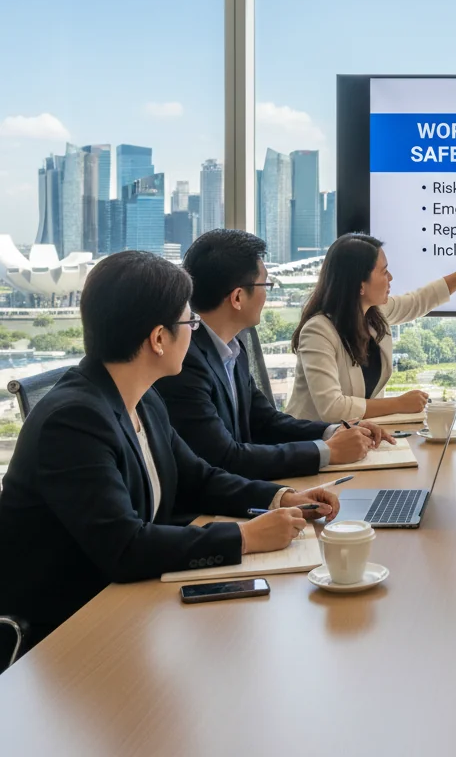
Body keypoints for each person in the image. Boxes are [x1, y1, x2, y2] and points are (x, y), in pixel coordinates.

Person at [0, 251, 339, 647]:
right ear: (159, 339)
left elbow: (198, 478)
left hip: (130, 606)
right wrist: (244, 537)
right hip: (66, 631)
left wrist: (281, 497)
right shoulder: (74, 421)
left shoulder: (142, 398)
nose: (195, 331)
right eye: (189, 321)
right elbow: (125, 547)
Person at [156, 230, 389, 481]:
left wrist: (334, 431)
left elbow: (265, 421)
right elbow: (224, 457)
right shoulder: (186, 363)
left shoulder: (233, 348)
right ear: (237, 298)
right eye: (264, 285)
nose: (266, 295)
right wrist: (327, 452)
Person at [287, 234, 456, 424]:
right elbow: (332, 409)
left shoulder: (375, 314)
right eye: (384, 272)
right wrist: (399, 403)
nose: (390, 278)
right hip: (312, 446)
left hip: (354, 440)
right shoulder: (318, 331)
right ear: (360, 285)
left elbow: (422, 299)